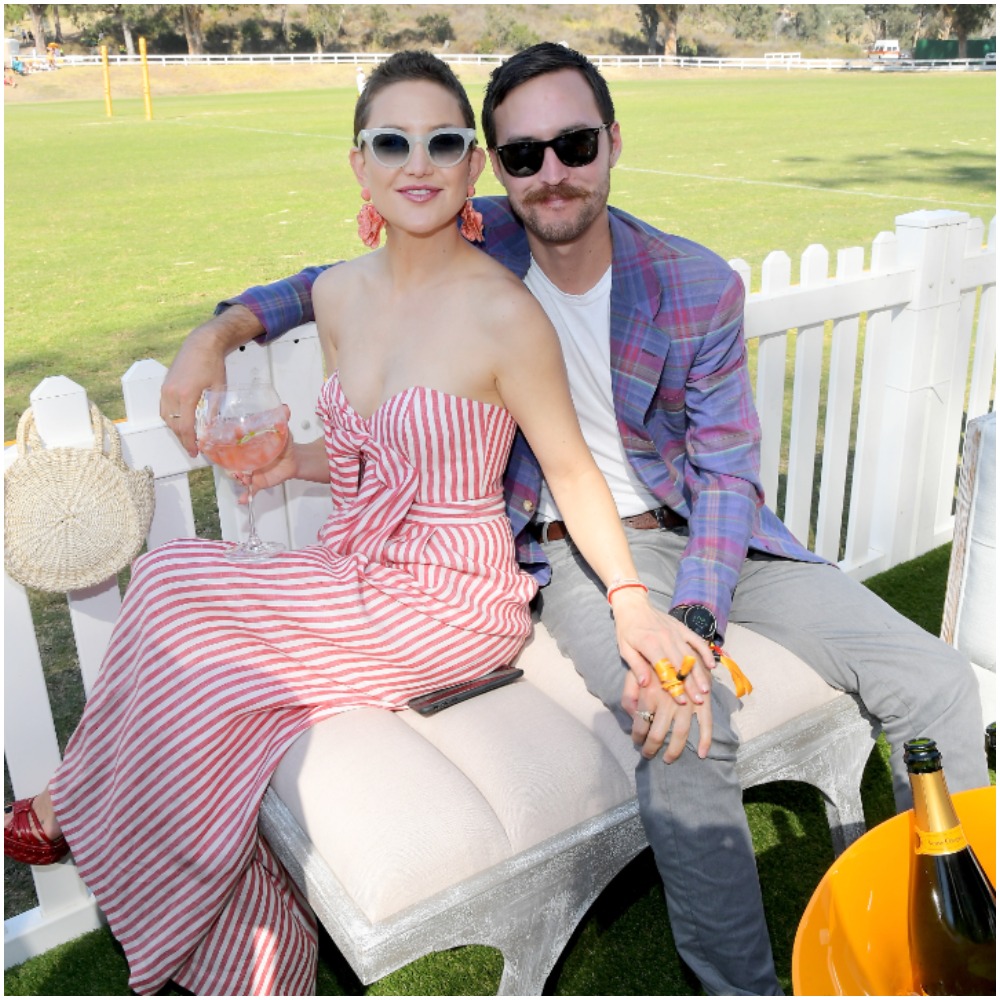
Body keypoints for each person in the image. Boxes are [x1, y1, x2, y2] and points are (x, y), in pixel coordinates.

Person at [158, 44, 988, 995]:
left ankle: (959, 940)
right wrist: (216, 333)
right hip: (573, 556)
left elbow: (723, 475)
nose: (551, 173)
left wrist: (699, 619)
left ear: (612, 144)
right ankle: (740, 985)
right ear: (494, 169)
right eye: (523, 155)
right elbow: (319, 283)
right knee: (681, 719)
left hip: (717, 537)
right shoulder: (476, 250)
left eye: (575, 143)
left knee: (935, 678)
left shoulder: (691, 282)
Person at [4, 51, 691, 996]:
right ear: (359, 164)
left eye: (443, 142)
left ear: (472, 168)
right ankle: (254, 960)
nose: (418, 162)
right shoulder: (336, 296)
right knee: (170, 580)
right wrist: (294, 461)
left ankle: (75, 806)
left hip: (451, 593)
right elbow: (371, 455)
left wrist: (630, 602)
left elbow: (572, 473)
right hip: (355, 561)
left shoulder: (506, 315)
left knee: (198, 642)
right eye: (392, 142)